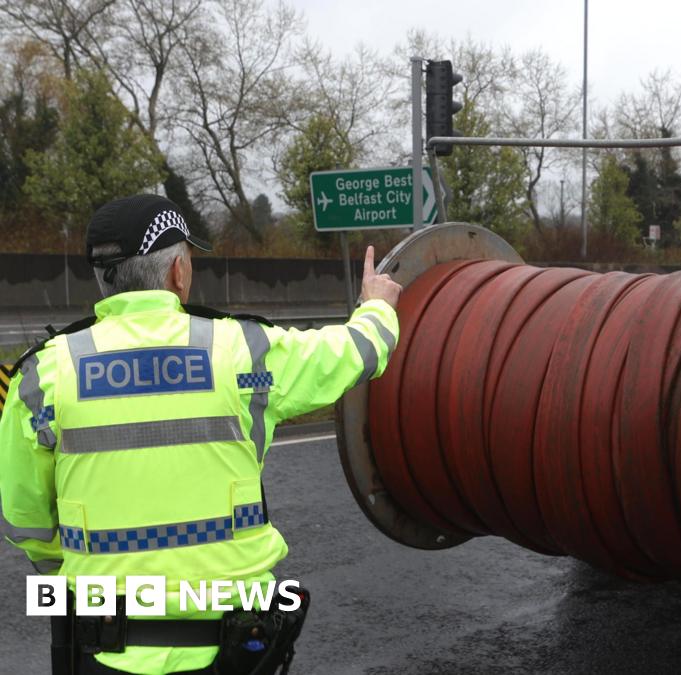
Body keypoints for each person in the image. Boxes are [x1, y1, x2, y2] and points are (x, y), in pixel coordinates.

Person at [0, 194, 403, 674]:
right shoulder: (243, 353)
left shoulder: (40, 378)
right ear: (177, 272)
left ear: (103, 277)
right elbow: (355, 351)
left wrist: (82, 580)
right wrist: (376, 306)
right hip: (235, 650)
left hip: (105, 649)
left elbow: (25, 520)